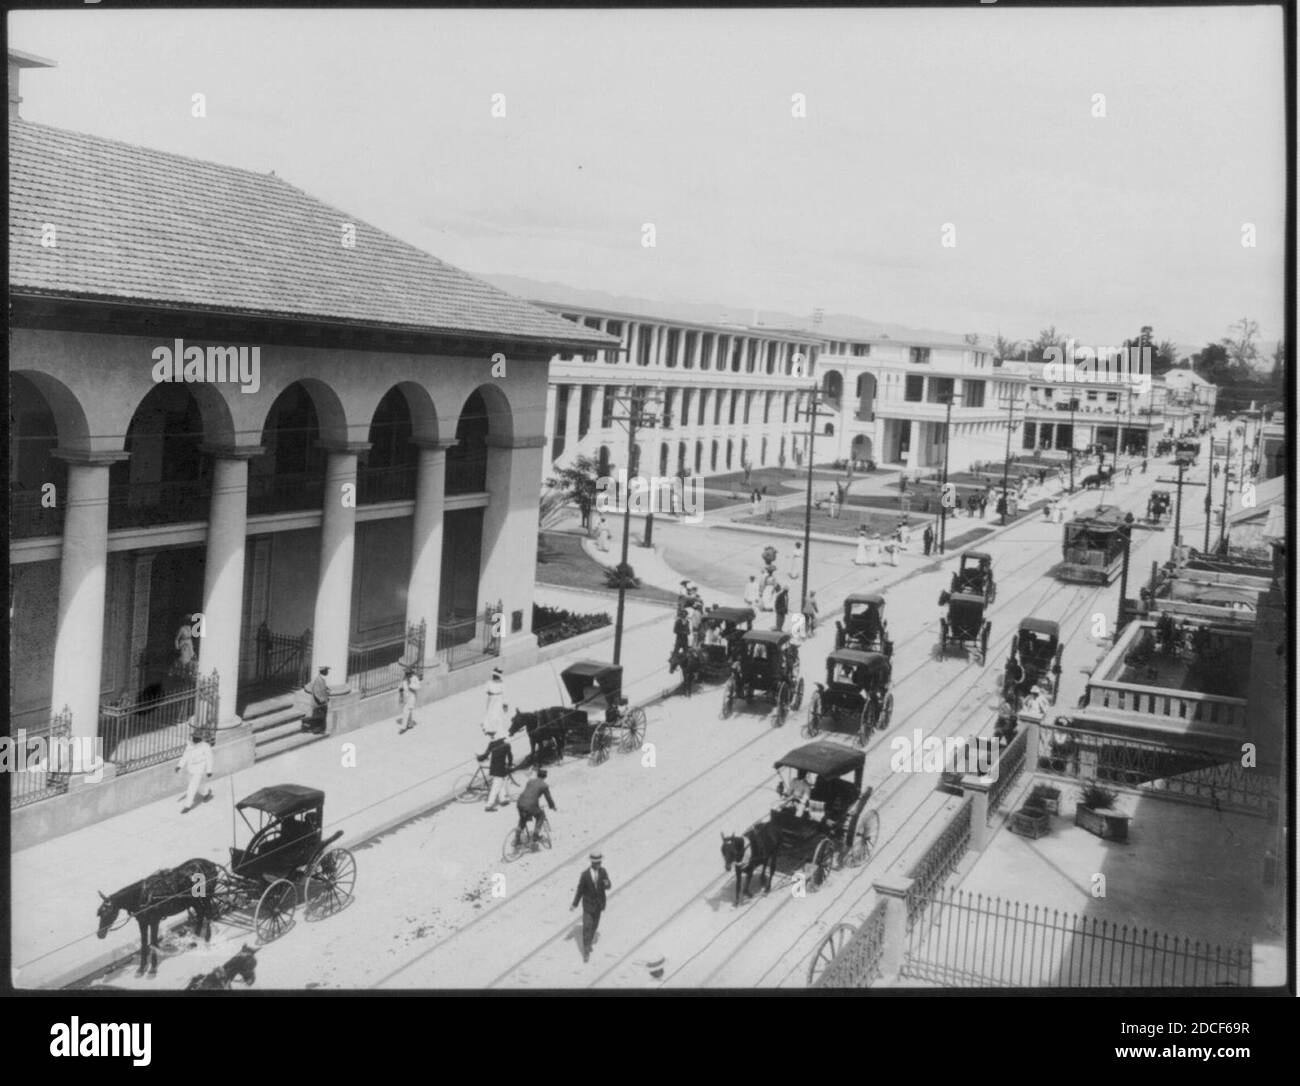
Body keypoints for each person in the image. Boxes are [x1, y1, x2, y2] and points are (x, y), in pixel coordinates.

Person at [571, 852, 613, 963]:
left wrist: (607, 883)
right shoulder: (585, 875)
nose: (599, 864)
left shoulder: (603, 872)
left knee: (594, 926)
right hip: (588, 905)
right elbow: (580, 890)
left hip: (599, 905)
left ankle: (588, 943)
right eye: (597, 863)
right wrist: (575, 903)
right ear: (592, 863)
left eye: (600, 862)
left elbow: (608, 886)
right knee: (587, 927)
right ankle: (586, 952)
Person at [175, 727, 214, 813]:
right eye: (193, 737)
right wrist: (179, 765)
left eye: (196, 738)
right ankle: (206, 792)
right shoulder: (190, 745)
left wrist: (209, 770)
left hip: (199, 769)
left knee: (192, 787)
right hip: (190, 769)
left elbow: (209, 759)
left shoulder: (205, 746)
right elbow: (185, 756)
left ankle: (187, 805)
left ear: (200, 738)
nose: (194, 739)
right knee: (196, 784)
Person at [515, 767, 556, 843]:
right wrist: (552, 806)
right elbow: (548, 798)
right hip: (530, 805)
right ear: (545, 777)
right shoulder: (544, 785)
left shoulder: (530, 781)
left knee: (523, 818)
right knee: (541, 815)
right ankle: (536, 835)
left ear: (537, 775)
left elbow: (529, 793)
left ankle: (517, 837)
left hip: (520, 802)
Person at [480, 727, 514, 811]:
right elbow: (510, 756)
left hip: (494, 768)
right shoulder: (507, 745)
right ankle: (489, 805)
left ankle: (502, 800)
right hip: (501, 768)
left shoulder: (492, 744)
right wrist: (510, 765)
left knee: (501, 783)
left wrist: (479, 758)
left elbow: (485, 756)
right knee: (496, 786)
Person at [303, 666, 331, 734]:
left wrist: (327, 690)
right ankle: (316, 730)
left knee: (321, 717)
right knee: (318, 717)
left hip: (321, 703)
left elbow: (323, 689)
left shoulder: (321, 679)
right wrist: (322, 701)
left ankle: (320, 730)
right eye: (327, 670)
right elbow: (316, 692)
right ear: (323, 671)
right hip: (318, 704)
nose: (328, 672)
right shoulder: (318, 680)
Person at [483, 667, 509, 737]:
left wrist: (505, 704)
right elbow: (504, 693)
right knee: (491, 713)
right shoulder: (494, 683)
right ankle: (490, 729)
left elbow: (487, 691)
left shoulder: (491, 683)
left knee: (496, 714)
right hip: (494, 699)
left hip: (495, 699)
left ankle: (495, 729)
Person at [396, 668, 420, 734]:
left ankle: (403, 727)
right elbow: (401, 686)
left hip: (412, 697)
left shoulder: (415, 678)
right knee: (409, 711)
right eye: (406, 673)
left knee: (406, 710)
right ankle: (410, 724)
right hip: (405, 697)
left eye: (408, 673)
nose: (407, 674)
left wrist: (410, 685)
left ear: (411, 673)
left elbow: (418, 687)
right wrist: (400, 691)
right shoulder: (404, 678)